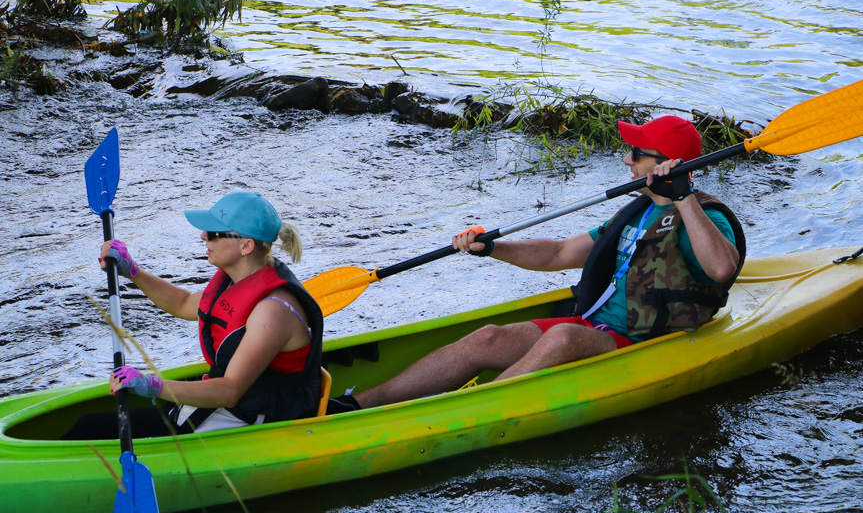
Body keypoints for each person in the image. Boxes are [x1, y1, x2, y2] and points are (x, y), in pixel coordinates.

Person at [329, 115, 746, 413]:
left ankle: (463, 412)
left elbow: (723, 269)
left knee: (562, 336)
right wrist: (494, 248)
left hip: (646, 339)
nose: (626, 161)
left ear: (665, 163)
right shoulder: (635, 212)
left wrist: (683, 196)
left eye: (636, 153)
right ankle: (351, 406)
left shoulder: (706, 216)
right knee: (486, 339)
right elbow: (560, 254)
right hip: (598, 326)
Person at [66, 192, 323, 438]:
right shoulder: (236, 280)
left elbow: (230, 389)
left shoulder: (273, 311)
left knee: (90, 430)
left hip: (259, 418)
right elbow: (183, 302)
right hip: (234, 405)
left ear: (246, 245)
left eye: (212, 234)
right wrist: (133, 271)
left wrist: (153, 384)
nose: (203, 236)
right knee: (86, 426)